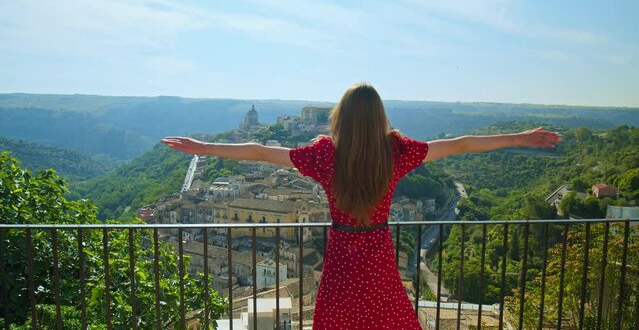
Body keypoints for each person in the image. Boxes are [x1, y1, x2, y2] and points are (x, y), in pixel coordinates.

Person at [162, 83, 560, 329]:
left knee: (338, 319)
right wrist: (519, 137)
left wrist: (204, 147)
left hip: (341, 253)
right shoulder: (397, 153)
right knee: (387, 317)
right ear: (379, 118)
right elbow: (462, 143)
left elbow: (261, 153)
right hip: (378, 251)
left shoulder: (324, 157)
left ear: (342, 117)